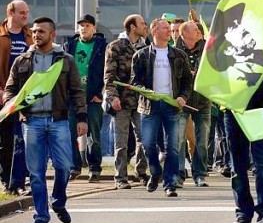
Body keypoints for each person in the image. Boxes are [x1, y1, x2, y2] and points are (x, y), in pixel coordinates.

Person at [3, 16, 86, 223]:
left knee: (65, 167)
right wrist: (10, 101)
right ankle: (41, 216)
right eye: (35, 31)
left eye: (41, 31)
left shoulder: (64, 60)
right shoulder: (22, 60)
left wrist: (82, 118)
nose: (37, 35)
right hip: (31, 122)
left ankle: (58, 200)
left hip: (58, 121)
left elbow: (77, 91)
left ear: (52, 34)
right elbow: (11, 89)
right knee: (36, 172)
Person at [131, 18, 191, 197]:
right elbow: (135, 82)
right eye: (165, 28)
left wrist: (183, 96)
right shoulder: (141, 55)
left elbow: (188, 80)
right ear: (154, 31)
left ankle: (170, 183)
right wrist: (146, 92)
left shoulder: (179, 55)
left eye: (169, 28)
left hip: (172, 106)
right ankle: (155, 171)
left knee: (172, 146)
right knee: (148, 144)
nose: (169, 31)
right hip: (150, 107)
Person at [224, 58, 263, 223]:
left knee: (262, 163)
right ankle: (243, 212)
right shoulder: (228, 42)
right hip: (234, 108)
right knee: (237, 165)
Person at [104, 14, 149, 189]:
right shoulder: (115, 47)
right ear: (132, 27)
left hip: (141, 102)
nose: (145, 26)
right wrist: (112, 96)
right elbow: (109, 75)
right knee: (121, 143)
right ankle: (120, 177)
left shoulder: (146, 47)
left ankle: (141, 172)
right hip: (121, 101)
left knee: (144, 140)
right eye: (142, 24)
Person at [64, 13, 107, 183]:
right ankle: (75, 166)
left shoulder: (102, 46)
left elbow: (107, 70)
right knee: (69, 133)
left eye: (87, 25)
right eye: (81, 25)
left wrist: (100, 93)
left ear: (94, 28)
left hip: (93, 98)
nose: (83, 28)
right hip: (72, 98)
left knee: (94, 136)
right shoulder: (70, 45)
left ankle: (94, 168)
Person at [0, 0, 31, 196]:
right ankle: (6, 179)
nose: (25, 16)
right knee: (5, 140)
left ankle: (17, 181)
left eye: (27, 12)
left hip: (25, 97)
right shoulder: (1, 36)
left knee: (21, 139)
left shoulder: (29, 35)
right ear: (10, 13)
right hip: (4, 95)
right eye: (21, 12)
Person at [178, 20, 212, 187]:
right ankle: (178, 174)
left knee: (202, 140)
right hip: (181, 102)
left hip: (203, 101)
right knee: (178, 140)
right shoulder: (175, 51)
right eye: (195, 31)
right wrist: (186, 74)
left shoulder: (207, 49)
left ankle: (199, 174)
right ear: (185, 35)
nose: (199, 32)